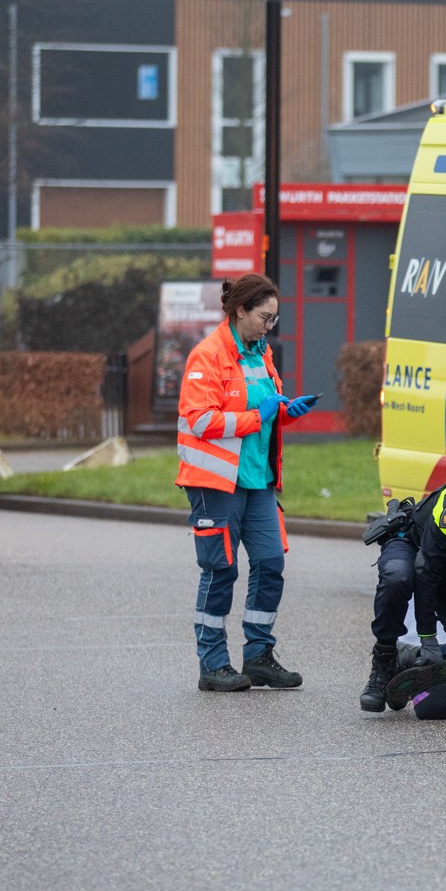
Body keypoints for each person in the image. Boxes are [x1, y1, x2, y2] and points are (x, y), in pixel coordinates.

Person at [176, 273, 318, 692]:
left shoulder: (261, 354)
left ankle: (258, 657)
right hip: (217, 483)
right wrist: (260, 416)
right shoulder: (208, 355)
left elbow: (263, 410)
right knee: (221, 570)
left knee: (271, 563)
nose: (269, 326)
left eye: (274, 319)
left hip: (258, 480)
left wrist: (286, 412)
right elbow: (199, 420)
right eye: (264, 317)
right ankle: (213, 664)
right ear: (240, 310)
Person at [357, 477, 446, 712]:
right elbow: (426, 571)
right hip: (414, 546)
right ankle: (385, 658)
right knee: (397, 576)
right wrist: (428, 639)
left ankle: (408, 658)